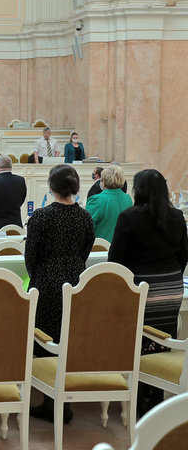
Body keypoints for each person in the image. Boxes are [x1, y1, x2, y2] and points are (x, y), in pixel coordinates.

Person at [108, 169, 188, 416]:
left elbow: (115, 259)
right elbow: (184, 255)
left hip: (141, 289)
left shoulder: (129, 217)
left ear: (137, 189)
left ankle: (141, 397)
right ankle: (157, 398)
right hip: (172, 287)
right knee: (163, 339)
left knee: (139, 343)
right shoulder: (176, 216)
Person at [25, 164, 95, 423]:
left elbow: (30, 256)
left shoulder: (41, 216)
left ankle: (50, 400)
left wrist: (40, 275)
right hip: (76, 282)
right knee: (68, 337)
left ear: (51, 186)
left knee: (45, 340)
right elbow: (86, 250)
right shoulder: (84, 216)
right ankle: (63, 400)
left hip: (46, 282)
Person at [84, 164, 132, 242]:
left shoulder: (95, 200)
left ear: (104, 181)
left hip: (100, 248)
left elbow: (87, 229)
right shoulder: (128, 199)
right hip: (122, 246)